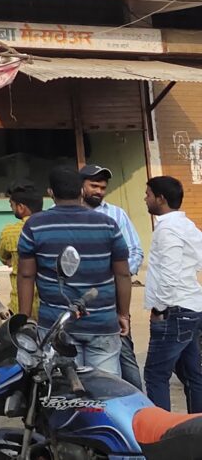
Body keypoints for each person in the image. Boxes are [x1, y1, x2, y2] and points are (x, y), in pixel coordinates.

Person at [18, 166, 131, 378]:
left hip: (56, 325)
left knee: (63, 390)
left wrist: (24, 319)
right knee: (104, 388)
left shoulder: (35, 225)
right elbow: (123, 274)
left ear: (51, 192)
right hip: (102, 323)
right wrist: (123, 314)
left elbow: (26, 275)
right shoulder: (107, 224)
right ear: (81, 191)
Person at [81, 164, 145, 390]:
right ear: (81, 186)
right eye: (94, 186)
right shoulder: (65, 214)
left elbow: (135, 251)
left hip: (112, 300)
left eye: (102, 187)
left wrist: (117, 275)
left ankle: (138, 404)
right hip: (76, 301)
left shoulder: (116, 214)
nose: (99, 191)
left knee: (125, 358)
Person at [142, 175, 202, 412]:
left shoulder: (167, 229)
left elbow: (168, 275)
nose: (145, 199)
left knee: (156, 374)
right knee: (192, 375)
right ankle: (195, 427)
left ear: (161, 198)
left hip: (174, 311)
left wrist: (159, 308)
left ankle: (162, 430)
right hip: (191, 307)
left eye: (148, 194)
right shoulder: (185, 225)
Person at [0, 181, 42, 316]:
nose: (12, 208)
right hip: (47, 305)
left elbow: (3, 258)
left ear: (21, 207)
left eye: (12, 205)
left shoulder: (9, 232)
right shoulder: (49, 229)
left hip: (19, 304)